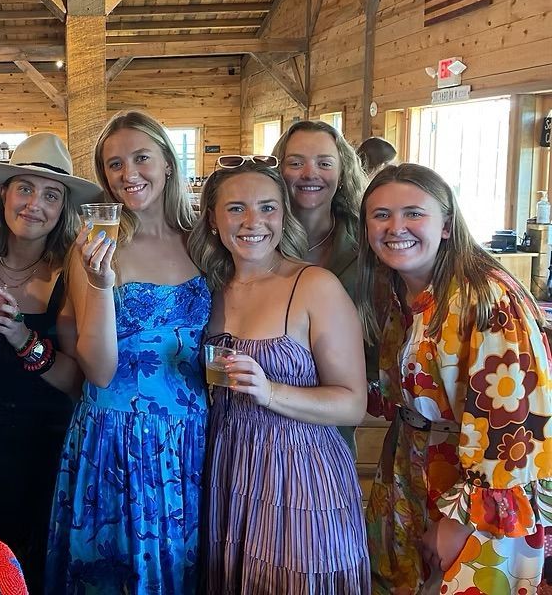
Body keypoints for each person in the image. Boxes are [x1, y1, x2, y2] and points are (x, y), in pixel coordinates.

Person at [357, 163, 552, 594]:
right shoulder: (398, 291)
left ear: (446, 225)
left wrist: (459, 521)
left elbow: (512, 427)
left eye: (413, 213)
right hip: (409, 467)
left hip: (479, 491)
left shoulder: (487, 297)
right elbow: (403, 390)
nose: (396, 227)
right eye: (381, 215)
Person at [46, 110, 210, 594]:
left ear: (168, 163)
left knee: (182, 566)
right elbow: (96, 370)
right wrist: (100, 285)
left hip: (190, 437)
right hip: (115, 435)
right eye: (114, 165)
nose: (128, 174)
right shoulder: (95, 246)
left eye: (141, 158)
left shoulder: (203, 240)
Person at [188, 156, 369, 593]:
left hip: (302, 472)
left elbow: (353, 403)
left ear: (284, 215)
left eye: (268, 207)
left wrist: (271, 392)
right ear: (212, 219)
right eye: (236, 209)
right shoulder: (209, 290)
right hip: (230, 465)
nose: (254, 221)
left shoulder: (314, 285)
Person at [0, 133, 101, 594]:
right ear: (4, 195)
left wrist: (21, 337)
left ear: (64, 208)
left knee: (28, 573)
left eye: (51, 195)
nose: (35, 204)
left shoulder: (72, 270)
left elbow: (77, 381)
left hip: (42, 451)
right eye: (25, 189)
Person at [272, 120, 370, 453]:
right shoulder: (254, 243)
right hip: (260, 424)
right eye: (296, 162)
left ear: (342, 172)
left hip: (334, 428)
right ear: (279, 170)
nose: (309, 173)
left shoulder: (369, 248)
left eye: (324, 163)